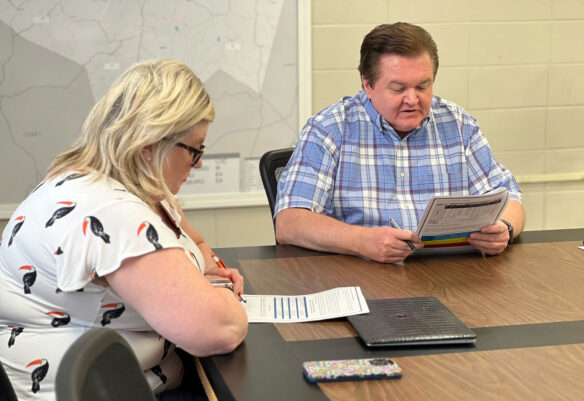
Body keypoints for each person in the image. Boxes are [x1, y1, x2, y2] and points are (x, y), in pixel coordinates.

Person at [0, 59, 248, 400]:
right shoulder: (110, 213)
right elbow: (220, 329)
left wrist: (209, 270)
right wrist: (223, 294)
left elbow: (195, 243)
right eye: (195, 149)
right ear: (149, 145)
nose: (200, 162)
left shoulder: (117, 186)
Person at [274, 22, 525, 264]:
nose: (412, 99)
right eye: (398, 88)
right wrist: (362, 241)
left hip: (451, 277)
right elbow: (290, 223)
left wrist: (504, 227)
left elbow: (510, 197)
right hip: (359, 277)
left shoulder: (458, 124)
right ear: (368, 84)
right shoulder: (329, 129)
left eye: (422, 87)